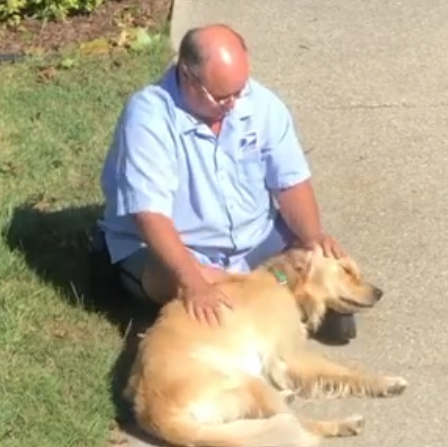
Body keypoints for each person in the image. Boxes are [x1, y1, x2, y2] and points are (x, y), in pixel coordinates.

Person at [94, 22, 356, 344]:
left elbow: (290, 183)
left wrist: (312, 237)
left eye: (239, 91)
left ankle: (271, 302)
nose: (234, 103)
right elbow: (150, 218)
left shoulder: (260, 103)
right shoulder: (149, 117)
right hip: (178, 252)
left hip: (255, 237)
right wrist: (193, 282)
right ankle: (274, 305)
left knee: (325, 258)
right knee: (211, 286)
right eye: (221, 97)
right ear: (187, 76)